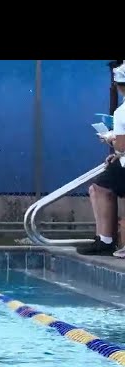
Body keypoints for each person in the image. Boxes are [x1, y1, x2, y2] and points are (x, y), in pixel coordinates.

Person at [77, 63, 125, 257]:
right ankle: (106, 239)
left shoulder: (122, 112)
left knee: (99, 188)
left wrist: (110, 139)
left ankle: (106, 240)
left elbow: (122, 146)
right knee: (98, 188)